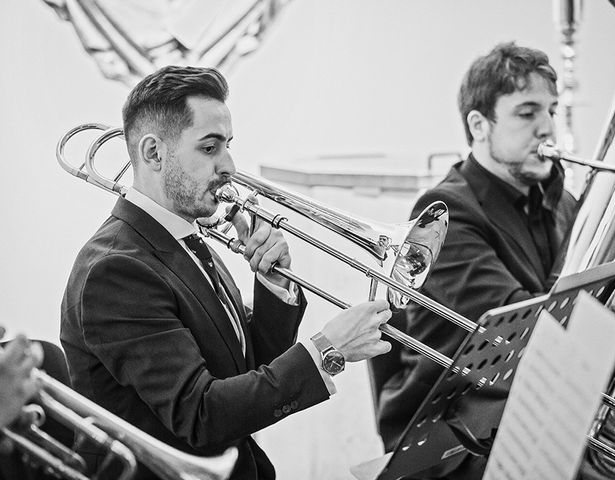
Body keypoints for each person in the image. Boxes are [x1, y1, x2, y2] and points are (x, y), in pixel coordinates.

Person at [60, 65, 392, 480]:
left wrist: (274, 288)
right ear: (152, 153)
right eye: (209, 147)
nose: (230, 164)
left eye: (228, 145)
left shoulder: (186, 238)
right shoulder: (116, 269)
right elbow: (203, 413)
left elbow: (245, 374)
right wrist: (328, 350)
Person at [375, 42, 578, 478]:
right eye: (527, 113)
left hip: (529, 410)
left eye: (552, 111)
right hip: (456, 438)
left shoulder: (563, 204)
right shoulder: (447, 213)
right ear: (479, 125)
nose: (547, 128)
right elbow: (529, 334)